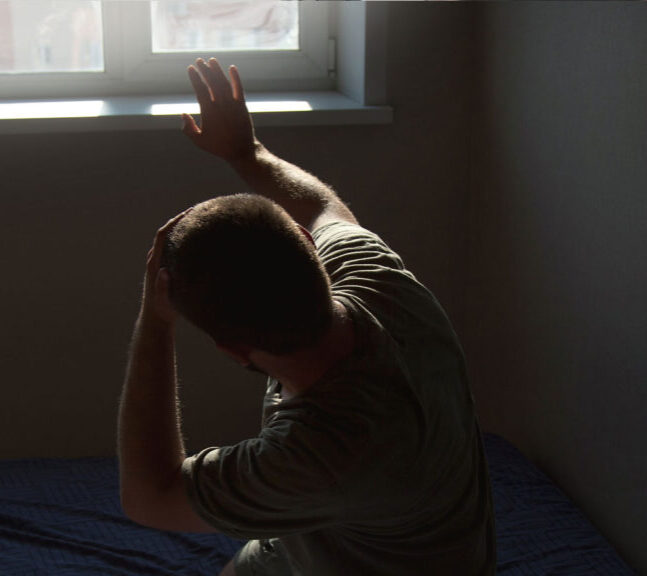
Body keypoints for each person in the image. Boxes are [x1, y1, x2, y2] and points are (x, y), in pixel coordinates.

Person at [117, 58, 496, 576]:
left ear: (233, 351)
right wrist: (246, 153)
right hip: (312, 545)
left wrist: (156, 320)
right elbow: (323, 209)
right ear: (312, 252)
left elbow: (150, 497)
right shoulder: (382, 284)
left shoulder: (318, 455)